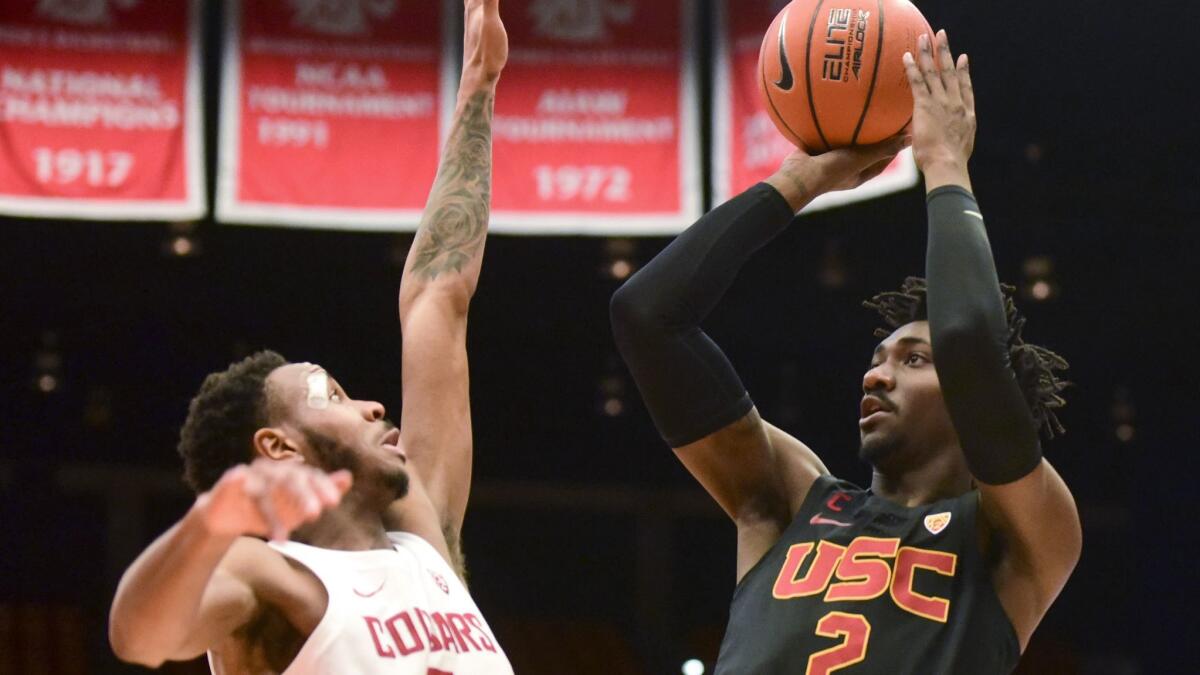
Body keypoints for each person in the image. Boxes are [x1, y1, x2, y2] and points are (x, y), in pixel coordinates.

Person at [610, 30, 1080, 674]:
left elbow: (970, 342)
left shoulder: (1020, 536)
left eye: (913, 359)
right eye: (878, 358)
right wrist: (796, 181)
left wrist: (944, 166)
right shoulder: (787, 499)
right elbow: (647, 316)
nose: (877, 375)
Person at [107, 2, 514, 672]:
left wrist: (481, 77)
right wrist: (210, 523)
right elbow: (140, 637)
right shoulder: (268, 576)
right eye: (335, 395)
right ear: (278, 444)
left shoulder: (423, 534)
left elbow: (437, 297)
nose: (372, 406)